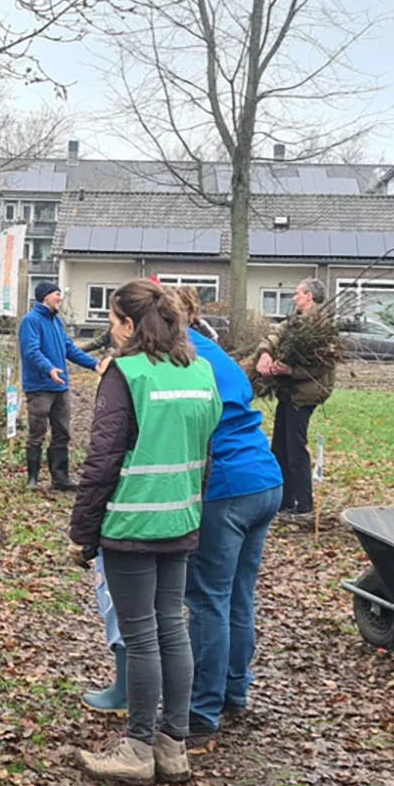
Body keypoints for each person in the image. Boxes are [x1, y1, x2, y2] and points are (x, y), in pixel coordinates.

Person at [68, 279, 219, 786]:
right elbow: (207, 451)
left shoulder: (126, 374)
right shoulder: (200, 371)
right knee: (172, 628)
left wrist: (83, 532)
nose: (110, 330)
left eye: (113, 321)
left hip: (132, 522)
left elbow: (102, 459)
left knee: (140, 635)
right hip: (181, 519)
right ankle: (172, 747)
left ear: (131, 325)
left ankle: (136, 748)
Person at [174, 288, 283, 746]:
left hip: (228, 486)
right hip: (265, 479)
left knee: (207, 599)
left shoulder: (185, 359)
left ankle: (201, 711)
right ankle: (235, 690)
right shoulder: (216, 351)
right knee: (239, 595)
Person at [251, 278, 335, 524]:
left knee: (295, 449)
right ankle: (285, 501)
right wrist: (265, 353)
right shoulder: (294, 322)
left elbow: (322, 365)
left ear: (309, 296)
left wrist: (291, 371)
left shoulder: (323, 327)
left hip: (305, 394)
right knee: (279, 446)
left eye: (298, 293)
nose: (295, 297)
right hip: (288, 392)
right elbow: (275, 335)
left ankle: (304, 506)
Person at [20, 281, 100, 491]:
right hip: (40, 387)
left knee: (62, 433)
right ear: (46, 297)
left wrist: (95, 365)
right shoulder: (31, 321)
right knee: (37, 433)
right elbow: (31, 351)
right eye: (57, 294)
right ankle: (33, 478)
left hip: (60, 388)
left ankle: (60, 478)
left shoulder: (57, 322)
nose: (60, 298)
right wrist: (49, 369)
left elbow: (69, 349)